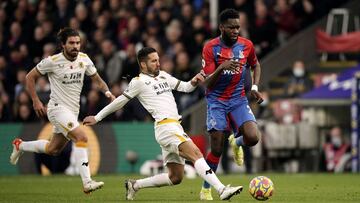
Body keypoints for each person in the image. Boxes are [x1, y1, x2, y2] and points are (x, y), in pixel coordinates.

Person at [83, 47, 243, 201]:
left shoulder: (164, 76)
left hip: (174, 127)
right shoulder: (138, 82)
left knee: (175, 177)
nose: (158, 63)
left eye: (158, 60)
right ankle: (222, 190)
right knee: (196, 154)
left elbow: (185, 87)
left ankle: (135, 185)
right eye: (153, 61)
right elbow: (119, 102)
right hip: (166, 127)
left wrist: (194, 81)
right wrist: (97, 117)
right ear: (143, 64)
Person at [9, 27, 116, 194]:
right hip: (57, 109)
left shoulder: (84, 59)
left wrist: (108, 92)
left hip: (72, 111)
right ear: (63, 45)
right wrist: (36, 100)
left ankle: (20, 145)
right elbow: (29, 77)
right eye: (71, 43)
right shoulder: (52, 61)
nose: (76, 46)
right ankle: (87, 182)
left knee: (53, 149)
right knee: (81, 136)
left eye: (78, 43)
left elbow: (97, 80)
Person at [199, 9, 263, 200]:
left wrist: (254, 85)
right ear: (221, 27)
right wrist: (221, 67)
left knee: (253, 137)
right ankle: (205, 190)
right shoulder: (210, 48)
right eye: (231, 27)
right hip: (216, 101)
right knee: (217, 148)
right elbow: (207, 83)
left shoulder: (246, 45)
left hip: (238, 99)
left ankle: (237, 142)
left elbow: (256, 65)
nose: (236, 30)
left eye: (238, 27)